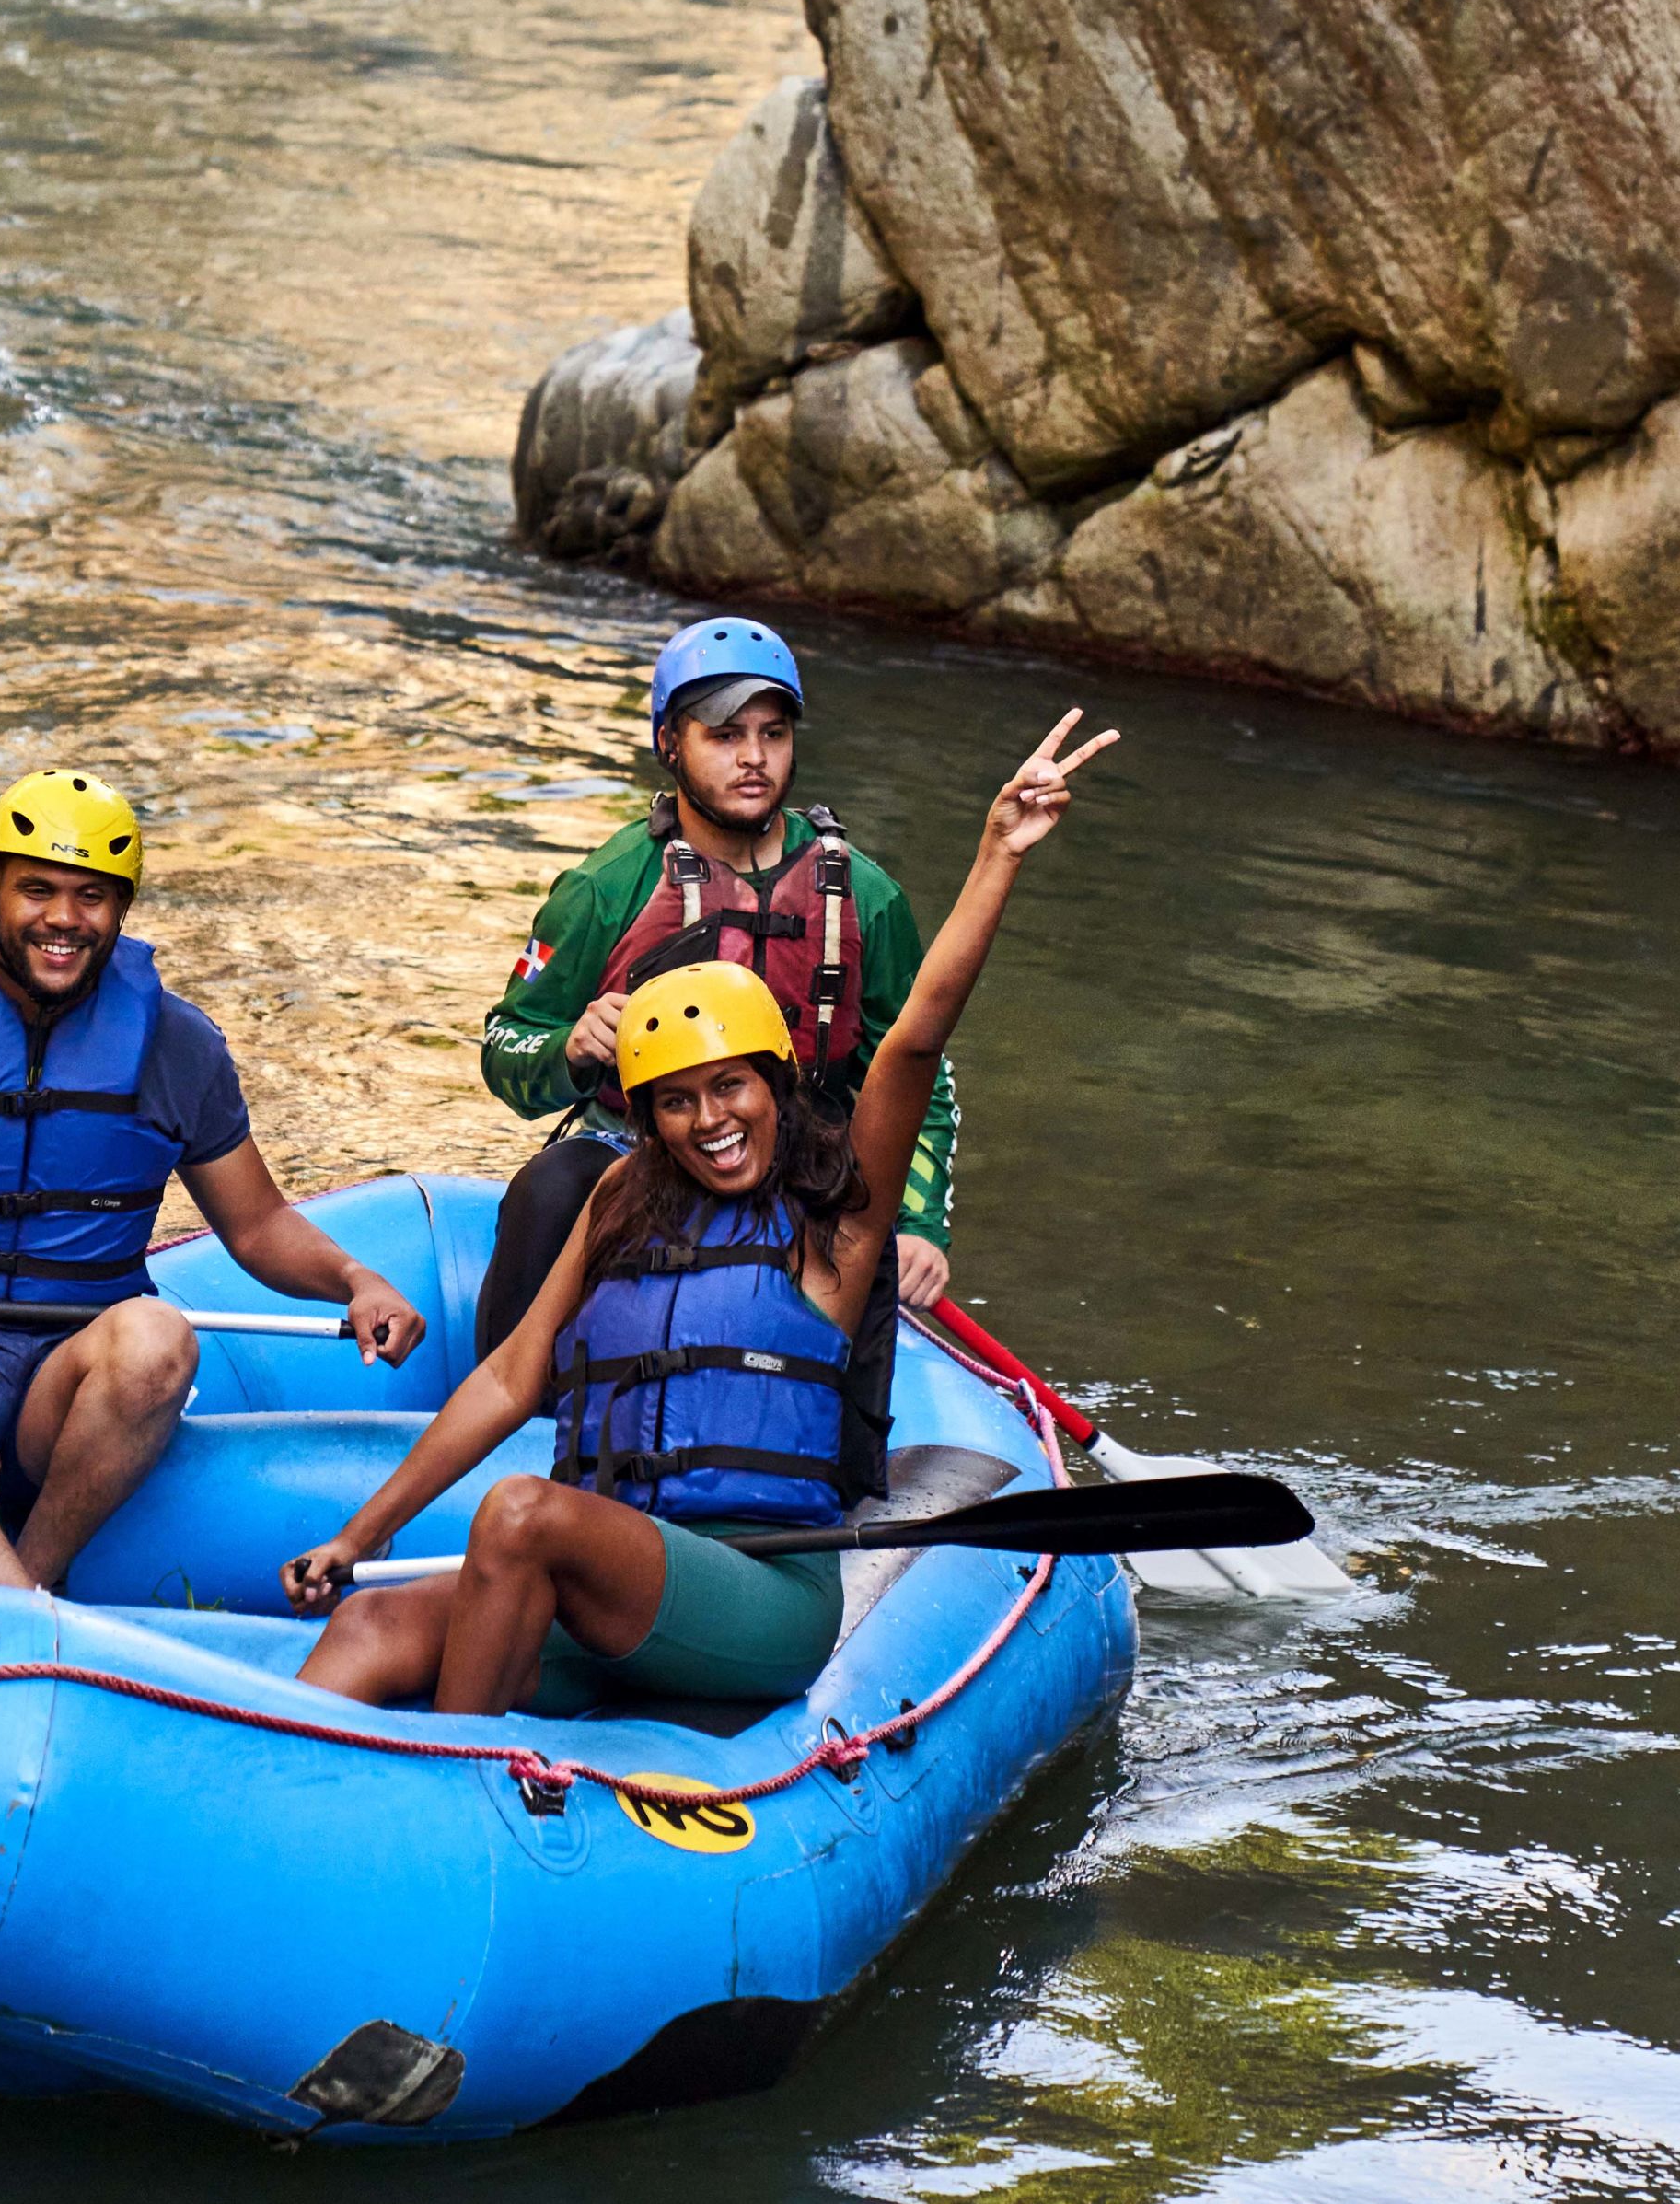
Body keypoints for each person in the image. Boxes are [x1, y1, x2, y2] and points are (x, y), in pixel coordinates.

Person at [283, 711, 1115, 1723]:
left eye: (731, 1088)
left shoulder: (836, 1218)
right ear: (647, 1117)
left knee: (522, 1513)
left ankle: (453, 1786)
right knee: (371, 1624)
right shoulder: (620, 1201)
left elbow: (911, 1042)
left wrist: (997, 856)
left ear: (775, 1084)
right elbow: (507, 1378)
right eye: (676, 1101)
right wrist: (358, 1537)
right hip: (608, 1582)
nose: (710, 1121)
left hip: (758, 1596)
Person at [0, 767, 428, 1592]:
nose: (64, 920)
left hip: (70, 1384)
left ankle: (34, 1582)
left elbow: (257, 1227)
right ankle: (11, 1592)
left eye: (93, 896)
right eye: (37, 890)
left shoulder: (180, 1048)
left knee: (158, 1336)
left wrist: (356, 1280)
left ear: (122, 907)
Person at [475, 617, 961, 1424]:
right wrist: (571, 1049)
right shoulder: (606, 886)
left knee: (858, 1242)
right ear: (670, 744)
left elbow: (922, 1078)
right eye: (725, 734)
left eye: (773, 733)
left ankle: (840, 1457)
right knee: (549, 1189)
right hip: (640, 1149)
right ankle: (512, 1423)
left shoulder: (866, 898)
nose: (754, 757)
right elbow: (505, 1048)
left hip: (800, 1159)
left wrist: (916, 1226)